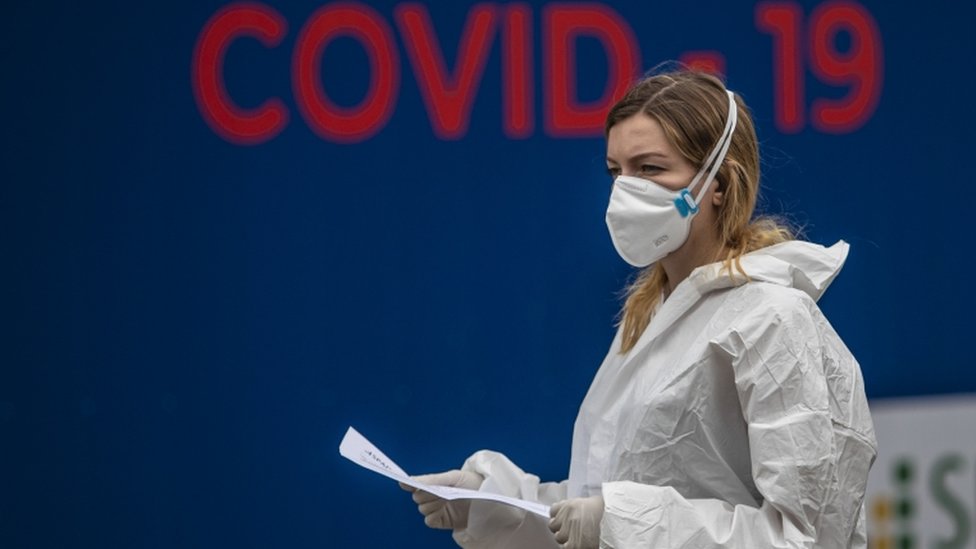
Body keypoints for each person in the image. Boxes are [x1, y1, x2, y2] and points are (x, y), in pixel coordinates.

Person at [401, 70, 877, 548]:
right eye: (616, 171)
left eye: (649, 169)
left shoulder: (773, 319)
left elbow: (807, 536)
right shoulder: (650, 316)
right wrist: (495, 507)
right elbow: (597, 502)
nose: (625, 190)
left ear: (719, 183)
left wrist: (620, 522)